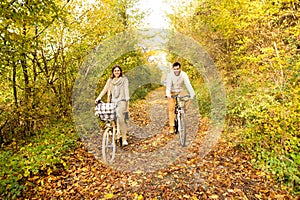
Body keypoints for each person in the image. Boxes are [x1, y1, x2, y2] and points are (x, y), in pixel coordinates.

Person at [95, 65, 130, 146]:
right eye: (115, 71)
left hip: (122, 101)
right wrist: (99, 97)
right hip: (113, 101)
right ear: (113, 72)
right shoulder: (110, 80)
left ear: (120, 71)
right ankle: (116, 133)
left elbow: (126, 89)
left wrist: (127, 100)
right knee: (112, 117)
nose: (117, 72)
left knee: (120, 118)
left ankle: (124, 138)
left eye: (118, 70)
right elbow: (105, 89)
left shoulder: (124, 79)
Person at [165, 62, 195, 134]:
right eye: (174, 69)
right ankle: (172, 126)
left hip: (180, 91)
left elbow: (188, 84)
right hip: (172, 92)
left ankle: (182, 112)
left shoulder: (184, 74)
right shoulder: (170, 75)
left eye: (178, 69)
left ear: (180, 69)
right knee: (171, 109)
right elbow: (168, 86)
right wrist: (168, 94)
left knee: (187, 99)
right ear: (173, 69)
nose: (176, 70)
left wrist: (192, 93)